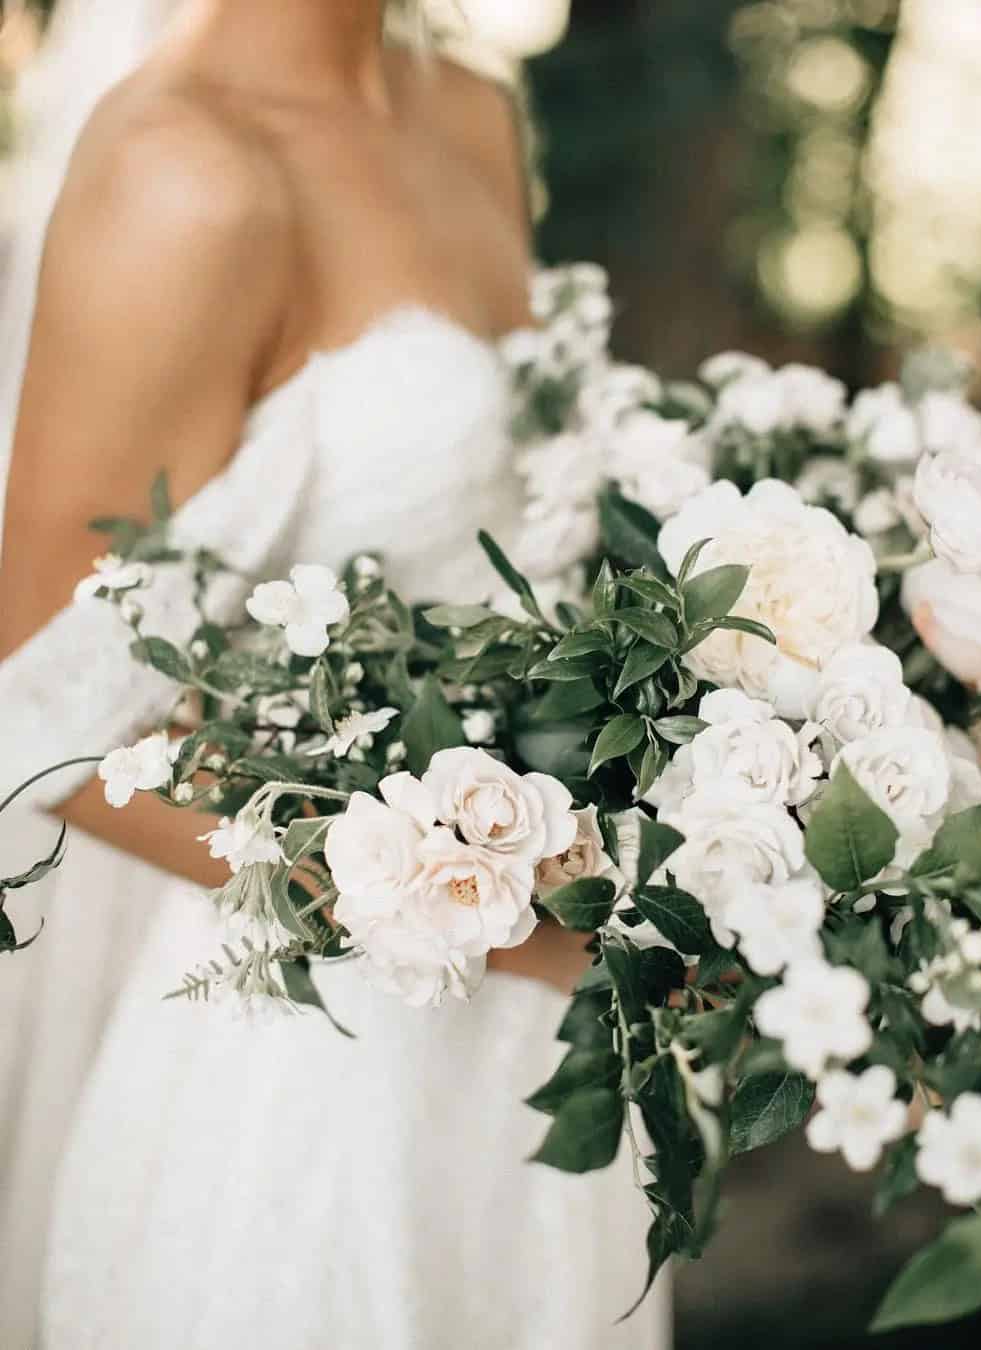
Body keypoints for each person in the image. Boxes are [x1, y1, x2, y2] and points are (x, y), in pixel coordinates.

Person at [0, 2, 668, 1345]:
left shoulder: (471, 102)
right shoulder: (185, 170)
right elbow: (42, 702)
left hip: (551, 1078)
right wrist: (478, 907)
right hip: (308, 1080)